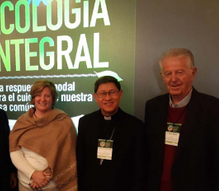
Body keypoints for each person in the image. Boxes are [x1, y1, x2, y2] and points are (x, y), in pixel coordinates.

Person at [145, 48, 219, 191]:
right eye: (168, 73)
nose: (173, 79)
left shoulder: (213, 108)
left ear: (193, 72)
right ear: (162, 76)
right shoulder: (153, 107)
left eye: (179, 72)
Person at [76, 76, 145, 191]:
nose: (107, 98)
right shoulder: (85, 123)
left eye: (112, 92)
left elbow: (139, 167)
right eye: (102, 94)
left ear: (120, 94)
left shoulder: (135, 125)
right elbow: (81, 160)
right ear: (95, 97)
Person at [9, 80, 77, 191]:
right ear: (33, 98)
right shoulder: (22, 122)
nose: (42, 99)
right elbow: (15, 152)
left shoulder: (64, 122)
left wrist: (44, 177)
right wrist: (33, 174)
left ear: (53, 99)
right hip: (26, 186)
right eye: (38, 95)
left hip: (52, 186)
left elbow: (67, 156)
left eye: (47, 96)